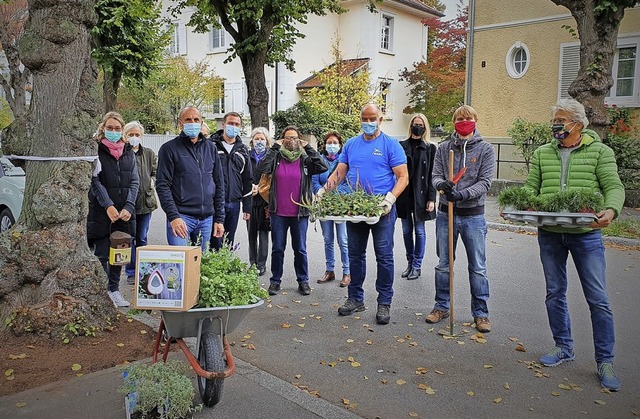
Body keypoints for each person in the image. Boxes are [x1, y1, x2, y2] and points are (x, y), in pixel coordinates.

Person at [524, 98, 624, 391]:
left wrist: (612, 210)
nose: (556, 124)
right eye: (554, 119)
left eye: (561, 119)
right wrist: (521, 204)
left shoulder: (600, 152)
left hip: (587, 235)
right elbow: (532, 187)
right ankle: (563, 347)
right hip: (550, 233)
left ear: (578, 124)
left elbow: (613, 186)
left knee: (598, 299)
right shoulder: (543, 153)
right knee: (555, 292)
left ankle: (605, 361)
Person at [320, 103, 408, 325]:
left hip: (382, 208)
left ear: (380, 120)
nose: (368, 123)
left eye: (372, 119)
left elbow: (403, 177)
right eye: (364, 119)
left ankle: (384, 302)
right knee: (355, 255)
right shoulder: (351, 144)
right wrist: (322, 192)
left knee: (384, 256)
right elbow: (340, 172)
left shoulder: (391, 145)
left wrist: (390, 199)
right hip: (356, 207)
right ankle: (355, 298)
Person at [426, 104, 494, 333]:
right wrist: (441, 186)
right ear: (454, 122)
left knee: (478, 267)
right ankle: (441, 306)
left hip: (473, 216)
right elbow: (435, 176)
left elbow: (485, 182)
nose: (464, 121)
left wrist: (462, 194)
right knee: (444, 265)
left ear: (475, 120)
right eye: (459, 118)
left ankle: (481, 313)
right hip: (447, 215)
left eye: (468, 117)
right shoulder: (444, 148)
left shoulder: (485, 149)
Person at [257, 125, 327, 296]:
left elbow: (322, 166)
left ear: (299, 139)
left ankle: (303, 281)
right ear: (282, 140)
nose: (291, 141)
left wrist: (308, 147)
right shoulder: (276, 158)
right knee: (278, 248)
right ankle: (275, 282)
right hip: (278, 212)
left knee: (300, 249)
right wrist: (274, 147)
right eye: (287, 138)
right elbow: (261, 167)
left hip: (299, 213)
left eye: (294, 138)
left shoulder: (305, 160)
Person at [87, 111, 139, 307]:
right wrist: (107, 205)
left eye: (117, 128)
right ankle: (101, 292)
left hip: (124, 214)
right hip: (102, 212)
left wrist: (129, 206)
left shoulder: (128, 152)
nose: (114, 131)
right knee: (101, 254)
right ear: (103, 128)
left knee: (119, 255)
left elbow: (135, 181)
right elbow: (95, 180)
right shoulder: (96, 151)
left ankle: (114, 290)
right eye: (110, 128)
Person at [156, 106, 225, 251]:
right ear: (180, 123)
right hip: (181, 217)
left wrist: (219, 219)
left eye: (196, 119)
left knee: (202, 266)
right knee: (180, 266)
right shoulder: (169, 149)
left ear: (201, 123)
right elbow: (162, 186)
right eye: (188, 119)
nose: (192, 122)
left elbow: (219, 184)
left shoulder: (210, 148)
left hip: (206, 219)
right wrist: (173, 216)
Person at [396, 114, 437, 280]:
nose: (417, 126)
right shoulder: (401, 146)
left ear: (425, 127)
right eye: (415, 124)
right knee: (406, 231)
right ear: (411, 125)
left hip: (421, 194)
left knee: (419, 231)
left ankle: (417, 265)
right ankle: (410, 262)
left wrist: (431, 198)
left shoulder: (430, 148)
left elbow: (433, 174)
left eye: (420, 124)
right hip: (405, 195)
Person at [312, 131, 351, 287]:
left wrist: (336, 196)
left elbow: (347, 183)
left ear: (340, 145)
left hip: (339, 205)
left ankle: (347, 272)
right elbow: (314, 181)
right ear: (324, 145)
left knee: (343, 240)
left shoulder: (344, 161)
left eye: (335, 143)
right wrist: (321, 193)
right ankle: (330, 270)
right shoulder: (318, 161)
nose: (332, 146)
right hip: (323, 205)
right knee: (328, 239)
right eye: (329, 143)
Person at [210, 112, 253, 250]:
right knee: (214, 240)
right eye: (230, 123)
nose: (233, 126)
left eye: (236, 124)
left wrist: (247, 207)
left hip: (234, 203)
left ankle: (226, 270)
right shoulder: (211, 146)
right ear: (223, 124)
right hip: (215, 202)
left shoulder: (243, 150)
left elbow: (247, 179)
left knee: (228, 241)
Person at [122, 121, 158, 285]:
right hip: (128, 205)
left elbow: (155, 172)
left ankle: (143, 271)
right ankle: (130, 272)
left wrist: (151, 183)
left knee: (142, 238)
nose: (134, 138)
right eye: (131, 135)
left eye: (137, 135)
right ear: (125, 135)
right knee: (129, 239)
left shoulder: (149, 153)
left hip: (146, 202)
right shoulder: (122, 153)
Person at [247, 127, 272, 276]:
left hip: (265, 201)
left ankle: (261, 264)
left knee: (263, 233)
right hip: (250, 200)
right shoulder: (247, 155)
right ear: (252, 141)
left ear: (267, 141)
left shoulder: (270, 157)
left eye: (262, 139)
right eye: (257, 139)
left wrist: (260, 188)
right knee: (251, 233)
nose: (259, 141)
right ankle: (252, 263)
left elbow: (273, 178)